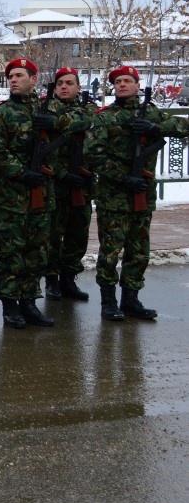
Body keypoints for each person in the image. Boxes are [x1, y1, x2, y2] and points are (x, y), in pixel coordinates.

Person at [0, 58, 85, 329]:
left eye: (19, 75)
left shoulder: (49, 107)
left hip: (41, 196)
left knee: (37, 252)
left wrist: (56, 121)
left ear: (34, 79)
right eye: (11, 76)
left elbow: (85, 120)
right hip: (9, 197)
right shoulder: (1, 112)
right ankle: (10, 306)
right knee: (11, 254)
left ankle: (29, 302)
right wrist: (21, 172)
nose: (13, 80)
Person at [85, 64, 189, 320]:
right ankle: (108, 302)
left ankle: (131, 299)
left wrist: (156, 128)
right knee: (110, 251)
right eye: (118, 81)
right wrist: (122, 178)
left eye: (127, 81)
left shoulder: (151, 113)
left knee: (139, 250)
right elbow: (92, 155)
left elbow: (183, 126)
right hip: (114, 196)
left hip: (142, 194)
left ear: (137, 85)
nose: (122, 85)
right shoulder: (105, 117)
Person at [44, 66, 97, 302]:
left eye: (69, 83)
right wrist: (63, 174)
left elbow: (90, 125)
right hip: (54, 183)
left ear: (78, 87)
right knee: (52, 236)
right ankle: (51, 281)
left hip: (82, 184)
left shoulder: (89, 110)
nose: (64, 87)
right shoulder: (45, 109)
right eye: (60, 83)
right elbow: (42, 151)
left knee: (78, 235)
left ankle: (69, 279)